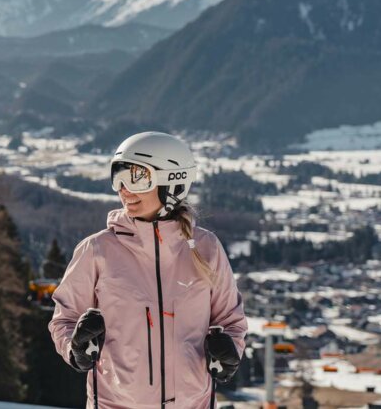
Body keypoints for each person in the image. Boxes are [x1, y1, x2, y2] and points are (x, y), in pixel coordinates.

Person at [49, 132, 247, 408]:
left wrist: (229, 351)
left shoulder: (205, 248)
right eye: (118, 178)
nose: (123, 190)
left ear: (172, 182)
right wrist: (76, 348)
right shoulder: (98, 250)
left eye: (136, 178)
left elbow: (231, 321)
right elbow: (64, 319)